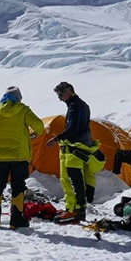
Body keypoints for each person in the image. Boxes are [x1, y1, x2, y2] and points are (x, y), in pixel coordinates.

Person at [0, 85, 44, 229]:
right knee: (18, 187)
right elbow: (39, 126)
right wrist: (32, 134)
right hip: (19, 157)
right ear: (18, 99)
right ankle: (16, 221)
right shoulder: (23, 110)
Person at [46, 81, 104, 223]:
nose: (60, 98)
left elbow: (73, 128)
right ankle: (75, 209)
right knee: (77, 179)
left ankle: (74, 211)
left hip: (75, 149)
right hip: (82, 146)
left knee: (72, 180)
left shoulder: (74, 106)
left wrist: (57, 138)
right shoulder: (82, 105)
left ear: (69, 91)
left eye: (61, 94)